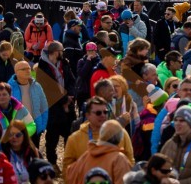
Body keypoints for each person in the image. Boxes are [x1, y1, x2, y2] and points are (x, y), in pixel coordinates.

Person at [63, 97, 135, 177]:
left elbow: (130, 161)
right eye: (98, 113)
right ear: (88, 115)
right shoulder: (75, 139)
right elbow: (67, 169)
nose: (103, 115)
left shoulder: (120, 133)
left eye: (105, 112)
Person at [35, 41, 75, 169]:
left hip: (68, 106)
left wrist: (71, 95)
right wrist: (64, 100)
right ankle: (52, 162)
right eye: (61, 51)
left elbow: (71, 80)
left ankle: (69, 162)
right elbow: (47, 89)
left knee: (70, 135)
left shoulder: (65, 63)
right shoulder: (42, 67)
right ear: (54, 52)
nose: (63, 53)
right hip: (53, 107)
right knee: (52, 138)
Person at [66, 120, 133, 184]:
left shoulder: (85, 156)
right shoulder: (119, 159)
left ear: (100, 135)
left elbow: (69, 176)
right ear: (120, 139)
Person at [7, 62, 48, 149]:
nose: (28, 71)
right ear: (16, 72)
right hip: (17, 130)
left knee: (33, 155)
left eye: (29, 68)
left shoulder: (37, 86)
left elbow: (44, 107)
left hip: (35, 128)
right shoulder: (8, 88)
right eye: (24, 69)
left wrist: (42, 125)